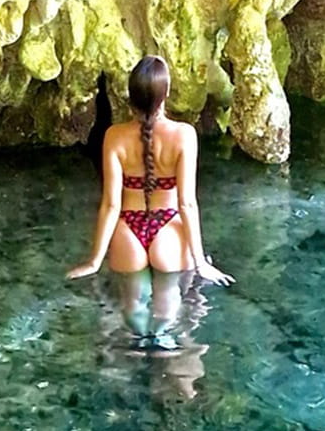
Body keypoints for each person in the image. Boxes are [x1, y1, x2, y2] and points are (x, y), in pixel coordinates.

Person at [66, 55, 233, 345]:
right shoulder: (184, 135)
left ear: (130, 96)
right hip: (169, 229)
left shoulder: (114, 136)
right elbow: (187, 204)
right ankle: (165, 345)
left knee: (132, 305)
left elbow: (111, 204)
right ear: (165, 94)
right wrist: (200, 262)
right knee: (170, 300)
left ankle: (136, 346)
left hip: (128, 232)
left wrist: (94, 261)